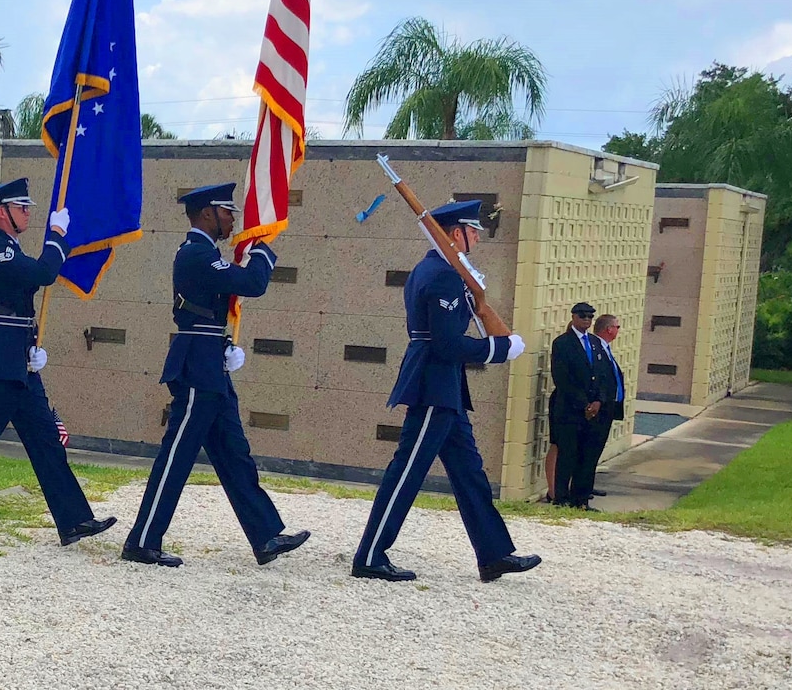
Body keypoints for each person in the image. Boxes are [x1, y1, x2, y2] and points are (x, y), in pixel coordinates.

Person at [352, 200, 542, 584]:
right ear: (456, 233)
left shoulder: (438, 270)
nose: (476, 239)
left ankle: (493, 554)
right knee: (406, 472)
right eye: (473, 232)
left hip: (446, 387)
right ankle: (370, 555)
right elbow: (446, 344)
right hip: (432, 385)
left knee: (470, 473)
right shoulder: (442, 275)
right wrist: (499, 349)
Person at [122, 183, 308, 568]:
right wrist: (262, 247)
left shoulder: (206, 253)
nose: (233, 219)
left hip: (210, 361)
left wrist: (223, 346)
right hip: (195, 367)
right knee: (176, 457)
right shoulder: (196, 254)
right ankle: (142, 541)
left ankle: (266, 535)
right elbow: (251, 284)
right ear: (207, 213)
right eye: (227, 212)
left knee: (234, 453)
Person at [0, 178, 114, 549]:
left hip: (20, 360)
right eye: (22, 208)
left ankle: (74, 520)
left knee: (48, 442)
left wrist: (32, 346)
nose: (28, 212)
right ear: (2, 212)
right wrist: (57, 237)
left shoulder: (11, 249)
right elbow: (42, 273)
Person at [552, 313, 626, 510]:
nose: (587, 320)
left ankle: (581, 498)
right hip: (576, 409)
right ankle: (561, 497)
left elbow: (603, 377)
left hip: (600, 407)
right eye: (582, 316)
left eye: (589, 317)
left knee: (590, 454)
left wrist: (600, 400)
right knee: (569, 454)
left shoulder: (595, 345)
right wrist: (586, 403)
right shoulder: (564, 344)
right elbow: (565, 378)